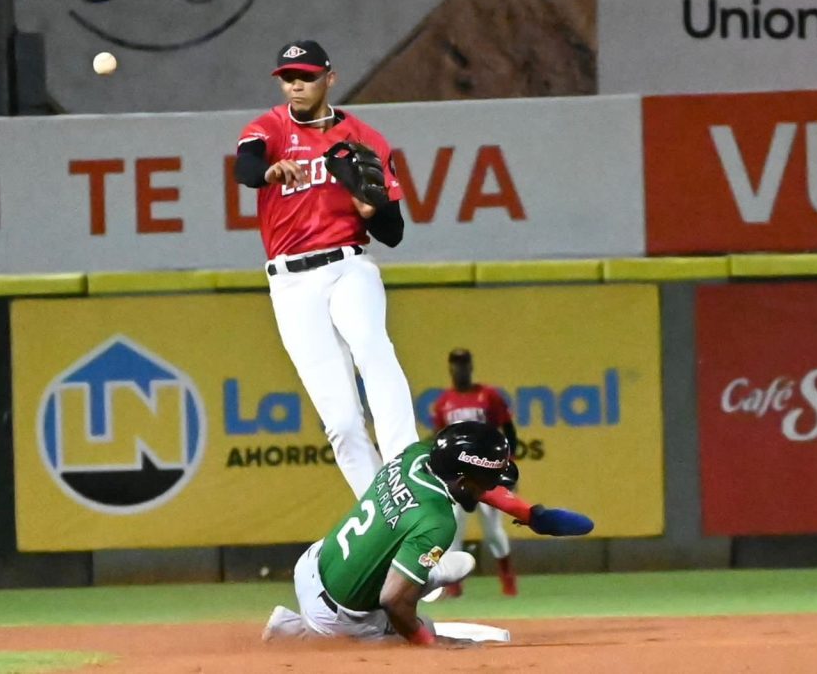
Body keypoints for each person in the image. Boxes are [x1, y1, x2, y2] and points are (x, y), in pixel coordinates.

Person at [234, 40, 417, 498]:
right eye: (288, 77)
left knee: (372, 348)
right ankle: (389, 512)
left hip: (347, 266)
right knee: (339, 421)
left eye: (307, 76)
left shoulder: (364, 138)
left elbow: (394, 232)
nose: (296, 85)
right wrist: (271, 172)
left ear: (329, 79)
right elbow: (246, 166)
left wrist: (372, 209)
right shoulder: (269, 129)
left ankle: (405, 464)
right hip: (291, 283)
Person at [262, 422, 594, 646]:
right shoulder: (438, 521)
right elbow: (393, 601)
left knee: (446, 560)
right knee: (428, 629)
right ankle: (297, 631)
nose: (492, 489)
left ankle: (310, 620)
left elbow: (465, 481)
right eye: (488, 482)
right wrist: (428, 646)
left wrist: (528, 513)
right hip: (339, 614)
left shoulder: (416, 455)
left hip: (313, 565)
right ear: (464, 482)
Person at [431, 348, 519, 598]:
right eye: (455, 364)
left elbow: (509, 431)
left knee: (493, 531)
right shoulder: (444, 403)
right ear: (450, 368)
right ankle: (453, 585)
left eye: (464, 363)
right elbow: (441, 440)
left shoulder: (487, 395)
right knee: (453, 529)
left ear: (471, 366)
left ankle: (508, 580)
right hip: (457, 475)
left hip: (486, 472)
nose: (460, 369)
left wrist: (506, 465)